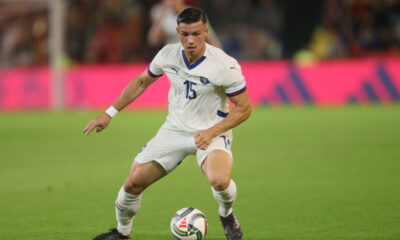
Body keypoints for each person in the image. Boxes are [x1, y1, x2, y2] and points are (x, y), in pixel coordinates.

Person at [83, 7, 251, 240]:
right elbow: (142, 82)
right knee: (132, 184)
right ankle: (122, 233)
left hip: (211, 132)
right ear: (177, 32)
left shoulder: (224, 65)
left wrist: (212, 131)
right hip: (174, 131)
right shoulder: (168, 54)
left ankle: (227, 213)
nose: (190, 40)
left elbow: (244, 108)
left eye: (196, 34)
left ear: (205, 31)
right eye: (185, 34)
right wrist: (109, 113)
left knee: (220, 181)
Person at [147, 0, 221, 48]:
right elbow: (153, 41)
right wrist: (162, 15)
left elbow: (212, 38)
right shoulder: (159, 13)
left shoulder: (196, 13)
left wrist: (220, 56)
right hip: (172, 58)